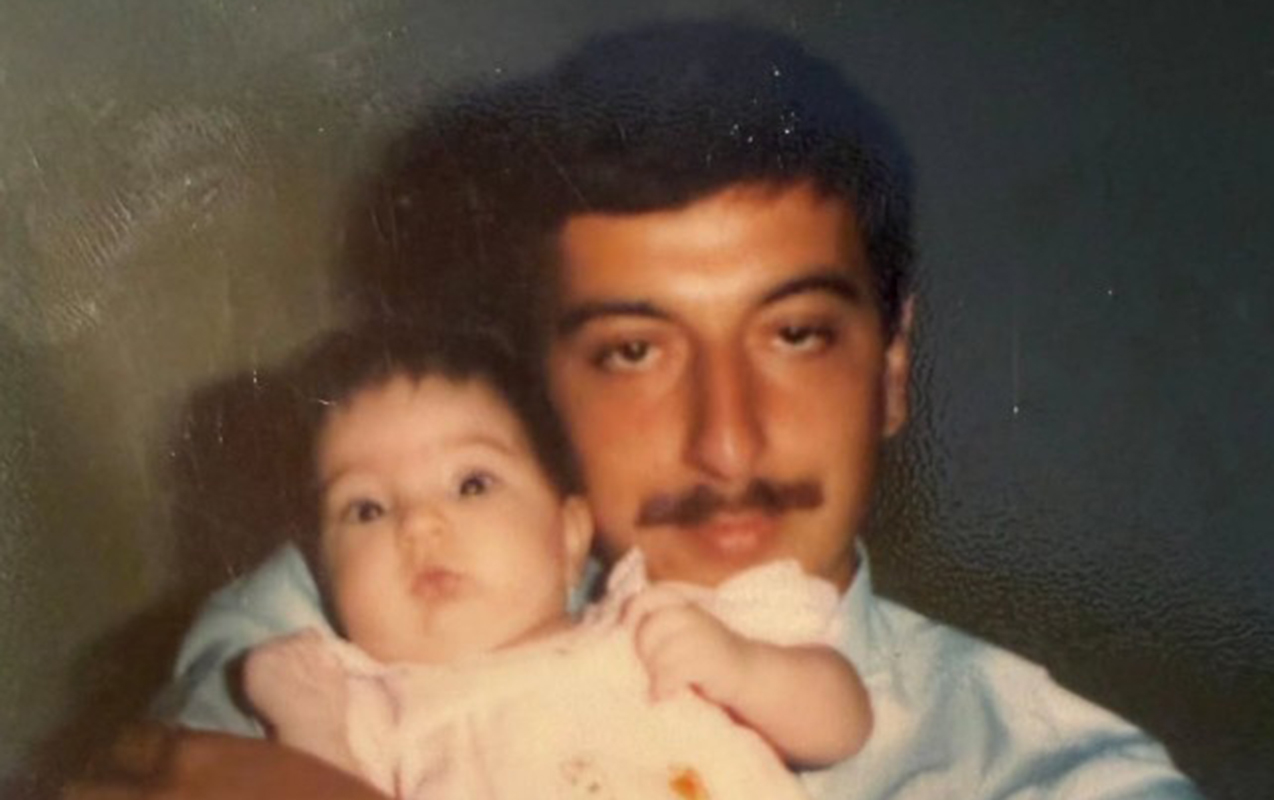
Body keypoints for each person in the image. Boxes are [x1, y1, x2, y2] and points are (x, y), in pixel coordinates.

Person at [84, 19, 1200, 800]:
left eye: (795, 335)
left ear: (894, 366)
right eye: (632, 351)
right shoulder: (339, 609)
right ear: (540, 387)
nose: (726, 440)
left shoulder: (1056, 772)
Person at [238, 324, 869, 799]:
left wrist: (745, 669)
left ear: (568, 537)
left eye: (472, 484)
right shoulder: (370, 715)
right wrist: (310, 730)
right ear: (324, 575)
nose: (419, 525)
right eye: (367, 509)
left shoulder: (650, 622)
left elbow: (845, 722)